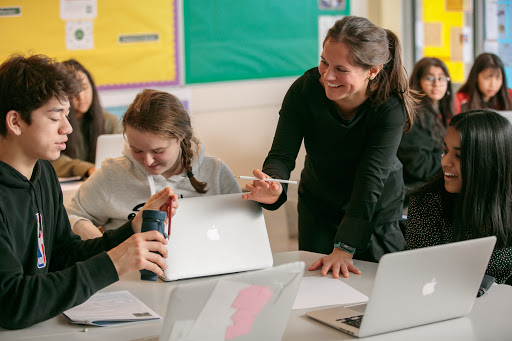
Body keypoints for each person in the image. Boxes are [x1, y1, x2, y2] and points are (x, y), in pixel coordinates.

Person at [0, 54, 178, 329]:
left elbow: (61, 255)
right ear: (15, 122)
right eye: (54, 117)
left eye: (67, 115)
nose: (67, 128)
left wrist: (131, 230)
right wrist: (112, 264)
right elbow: (11, 303)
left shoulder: (43, 172)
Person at [242, 16, 417, 278]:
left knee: (377, 283)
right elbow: (281, 154)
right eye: (324, 62)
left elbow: (371, 178)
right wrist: (274, 185)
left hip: (375, 205)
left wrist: (345, 246)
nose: (328, 76)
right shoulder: (304, 90)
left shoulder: (389, 107)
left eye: (341, 70)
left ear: (373, 70)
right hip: (319, 203)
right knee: (317, 284)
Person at [66, 89, 241, 240]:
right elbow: (70, 217)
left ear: (180, 137)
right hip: (132, 275)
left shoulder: (215, 172)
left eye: (158, 151)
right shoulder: (111, 175)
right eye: (137, 150)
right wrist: (102, 247)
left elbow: (241, 227)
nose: (147, 161)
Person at [405, 110, 512, 284]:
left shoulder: (507, 203)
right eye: (445, 151)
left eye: (459, 156)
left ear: (489, 161)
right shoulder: (426, 204)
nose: (445, 162)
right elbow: (423, 278)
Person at [51, 59, 122, 178]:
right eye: (74, 92)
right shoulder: (55, 123)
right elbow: (52, 160)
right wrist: (87, 169)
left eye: (85, 88)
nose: (81, 97)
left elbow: (123, 157)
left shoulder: (110, 121)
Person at [398, 57, 454, 204]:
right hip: (416, 194)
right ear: (418, 81)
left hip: (431, 186)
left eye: (442, 78)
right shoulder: (415, 114)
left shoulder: (441, 111)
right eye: (430, 78)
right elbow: (418, 165)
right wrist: (451, 157)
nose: (437, 83)